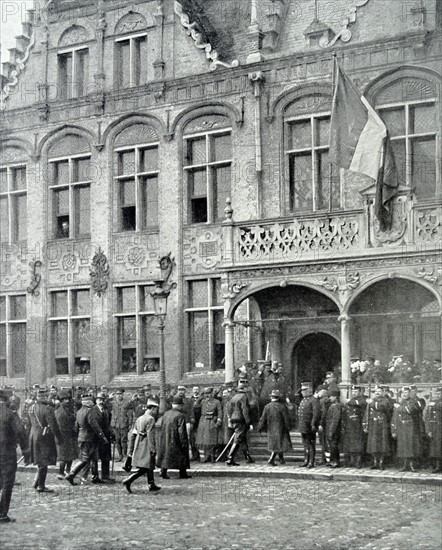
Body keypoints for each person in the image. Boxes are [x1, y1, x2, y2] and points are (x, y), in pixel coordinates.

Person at [65, 394, 109, 486]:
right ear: (88, 402)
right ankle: (71, 474)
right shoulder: (89, 411)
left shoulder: (79, 411)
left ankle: (95, 476)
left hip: (83, 437)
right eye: (91, 401)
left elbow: (76, 426)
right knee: (85, 459)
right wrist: (103, 436)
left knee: (94, 457)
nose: (93, 403)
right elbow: (94, 425)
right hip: (90, 438)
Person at [0, 387, 28, 522]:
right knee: (7, 482)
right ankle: (2, 514)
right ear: (7, 399)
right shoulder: (10, 414)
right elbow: (20, 432)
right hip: (6, 452)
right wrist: (26, 451)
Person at [122, 398, 161, 493]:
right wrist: (153, 449)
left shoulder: (139, 418)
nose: (156, 412)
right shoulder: (151, 419)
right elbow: (150, 435)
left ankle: (151, 484)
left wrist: (131, 450)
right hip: (146, 445)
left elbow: (133, 434)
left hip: (138, 444)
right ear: (152, 409)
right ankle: (129, 480)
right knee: (145, 467)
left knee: (148, 466)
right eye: (156, 409)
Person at [29, 387, 63, 492]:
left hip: (33, 434)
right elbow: (53, 425)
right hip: (44, 436)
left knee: (39, 460)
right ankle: (41, 486)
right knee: (43, 461)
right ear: (43, 397)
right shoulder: (47, 409)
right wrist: (59, 437)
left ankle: (36, 483)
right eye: (45, 396)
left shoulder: (31, 407)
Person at [157, 396, 191, 479]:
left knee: (166, 454)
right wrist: (184, 442)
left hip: (165, 438)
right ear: (179, 405)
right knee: (182, 454)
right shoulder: (180, 415)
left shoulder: (166, 414)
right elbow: (181, 431)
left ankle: (163, 471)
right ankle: (183, 473)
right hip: (176, 439)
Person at [257, 389, 292, 465]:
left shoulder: (267, 407)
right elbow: (286, 418)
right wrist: (288, 427)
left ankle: (281, 459)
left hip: (271, 428)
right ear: (278, 398)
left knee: (277, 444)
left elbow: (263, 419)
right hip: (280, 428)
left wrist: (260, 428)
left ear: (271, 397)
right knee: (278, 444)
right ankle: (271, 459)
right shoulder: (282, 407)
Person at [391, 386, 422, 472]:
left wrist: (398, 407)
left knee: (411, 447)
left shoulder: (413, 402)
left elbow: (409, 410)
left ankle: (411, 465)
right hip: (401, 427)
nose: (404, 394)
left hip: (410, 428)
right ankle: (405, 465)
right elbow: (395, 417)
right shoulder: (400, 403)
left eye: (406, 393)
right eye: (402, 393)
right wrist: (394, 429)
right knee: (403, 447)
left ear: (409, 393)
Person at [225, 377, 254, 466]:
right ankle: (230, 458)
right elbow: (245, 410)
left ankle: (248, 457)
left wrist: (230, 419)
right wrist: (249, 422)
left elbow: (228, 409)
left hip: (234, 419)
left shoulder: (234, 397)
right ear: (245, 388)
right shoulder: (243, 397)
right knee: (237, 439)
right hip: (240, 420)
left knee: (243, 438)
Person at [363, 386, 392, 470]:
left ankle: (381, 463)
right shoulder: (371, 401)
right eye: (376, 391)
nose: (377, 393)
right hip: (373, 425)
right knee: (373, 445)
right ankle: (375, 462)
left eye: (379, 391)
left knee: (382, 444)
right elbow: (367, 413)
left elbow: (382, 408)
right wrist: (365, 424)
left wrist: (371, 403)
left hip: (381, 424)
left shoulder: (385, 400)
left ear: (383, 392)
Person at [90, 392, 115, 483]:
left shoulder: (106, 410)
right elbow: (94, 425)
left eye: (102, 400)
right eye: (99, 400)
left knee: (106, 457)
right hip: (96, 438)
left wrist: (112, 433)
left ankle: (105, 476)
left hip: (106, 437)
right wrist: (101, 435)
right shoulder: (93, 410)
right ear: (96, 400)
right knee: (95, 458)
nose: (101, 401)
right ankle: (95, 476)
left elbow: (108, 424)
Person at [55, 390, 78, 480]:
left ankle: (67, 471)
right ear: (61, 401)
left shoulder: (69, 409)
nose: (67, 401)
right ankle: (61, 473)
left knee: (70, 455)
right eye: (64, 400)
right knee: (63, 456)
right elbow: (61, 426)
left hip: (69, 435)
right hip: (63, 436)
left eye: (68, 399)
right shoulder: (59, 412)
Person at [341, 385, 367, 468]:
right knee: (350, 444)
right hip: (349, 425)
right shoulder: (352, 400)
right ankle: (352, 461)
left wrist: (348, 401)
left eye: (356, 392)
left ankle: (358, 461)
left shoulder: (362, 400)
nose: (354, 393)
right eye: (353, 392)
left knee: (358, 444)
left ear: (359, 392)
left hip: (358, 425)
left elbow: (361, 404)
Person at [196, 387, 223, 463]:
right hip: (203, 421)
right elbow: (195, 406)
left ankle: (212, 456)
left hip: (211, 421)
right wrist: (200, 397)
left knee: (211, 440)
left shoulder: (216, 402)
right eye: (206, 394)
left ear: (212, 394)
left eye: (209, 394)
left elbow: (220, 412)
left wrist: (218, 421)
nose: (208, 395)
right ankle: (203, 458)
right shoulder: (202, 401)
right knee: (201, 440)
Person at [298, 382, 319, 468]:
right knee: (305, 444)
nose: (302, 392)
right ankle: (306, 460)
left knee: (310, 444)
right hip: (303, 425)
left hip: (309, 425)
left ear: (309, 391)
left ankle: (311, 461)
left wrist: (313, 424)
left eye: (304, 390)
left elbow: (315, 413)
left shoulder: (313, 400)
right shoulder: (304, 400)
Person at [425, 387, 442, 473]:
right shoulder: (430, 404)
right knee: (435, 448)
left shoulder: (435, 404)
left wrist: (434, 405)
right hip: (435, 429)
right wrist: (428, 430)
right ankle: (437, 466)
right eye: (436, 394)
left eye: (439, 394)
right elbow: (427, 417)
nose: (437, 395)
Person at [110, 388, 130, 461]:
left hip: (124, 424)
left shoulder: (127, 402)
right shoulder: (113, 402)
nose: (119, 396)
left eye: (120, 394)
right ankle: (120, 455)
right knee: (117, 440)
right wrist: (109, 398)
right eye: (117, 394)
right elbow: (106, 405)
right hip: (115, 424)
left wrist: (130, 424)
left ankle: (125, 455)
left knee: (124, 440)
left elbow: (130, 414)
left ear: (123, 394)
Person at [325, 389, 342, 468]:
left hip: (334, 429)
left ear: (335, 397)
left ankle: (335, 461)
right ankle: (332, 460)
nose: (330, 398)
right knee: (331, 445)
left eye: (331, 396)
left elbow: (335, 419)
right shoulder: (332, 405)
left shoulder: (336, 406)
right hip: (330, 427)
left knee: (333, 445)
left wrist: (332, 430)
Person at [314, 385, 329, 466]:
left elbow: (323, 413)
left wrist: (320, 424)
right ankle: (325, 458)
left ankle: (324, 458)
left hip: (323, 425)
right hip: (324, 424)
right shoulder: (324, 400)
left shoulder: (322, 401)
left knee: (323, 441)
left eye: (318, 392)